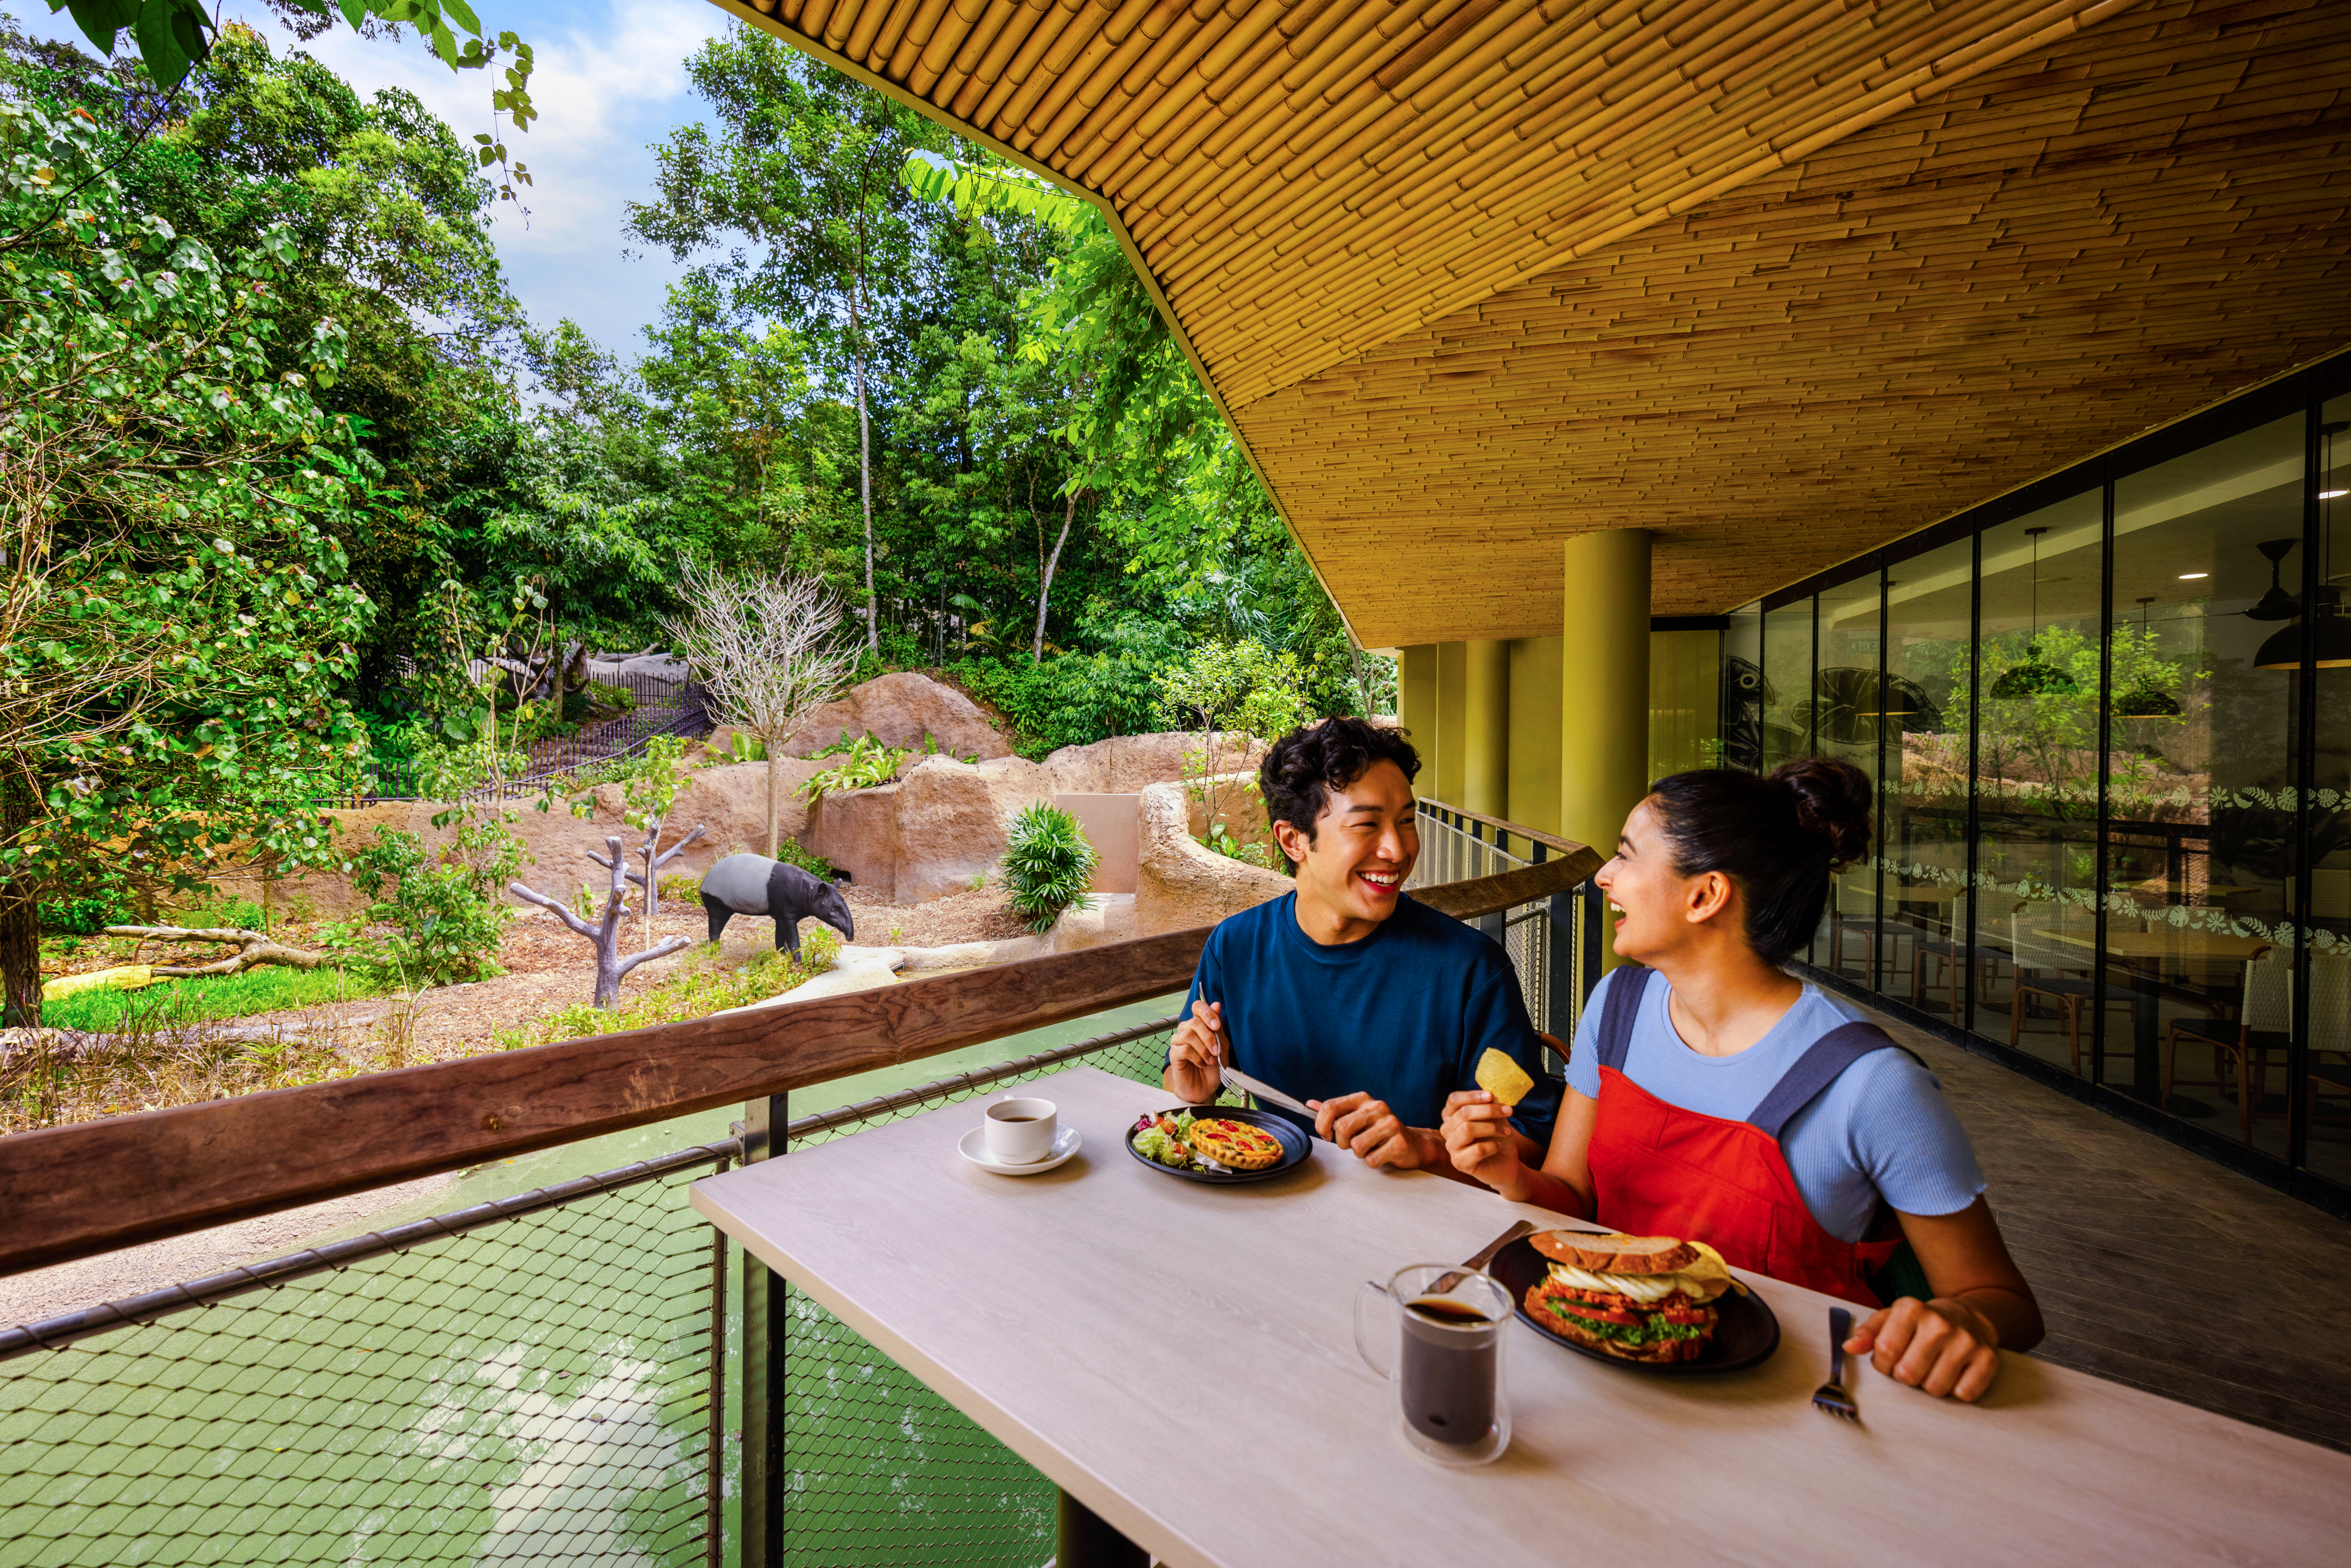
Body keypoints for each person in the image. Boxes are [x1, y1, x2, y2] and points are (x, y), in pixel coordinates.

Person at [1439, 760, 2042, 1402]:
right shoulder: (1616, 1006)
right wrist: (1508, 1173)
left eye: (1625, 855)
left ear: (1704, 896)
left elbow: (2008, 1305)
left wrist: (1964, 1319)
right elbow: (1574, 1201)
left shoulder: (1871, 1083)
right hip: (1610, 1368)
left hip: (1797, 1403)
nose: (1604, 876)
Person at [1163, 717, 1560, 1174]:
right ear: (1293, 840)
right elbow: (1182, 1077)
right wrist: (1192, 1087)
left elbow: (1531, 1135)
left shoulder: (1470, 969)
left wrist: (1424, 1145)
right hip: (1271, 1204)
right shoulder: (1235, 948)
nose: (1396, 849)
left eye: (1406, 821)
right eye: (1367, 825)